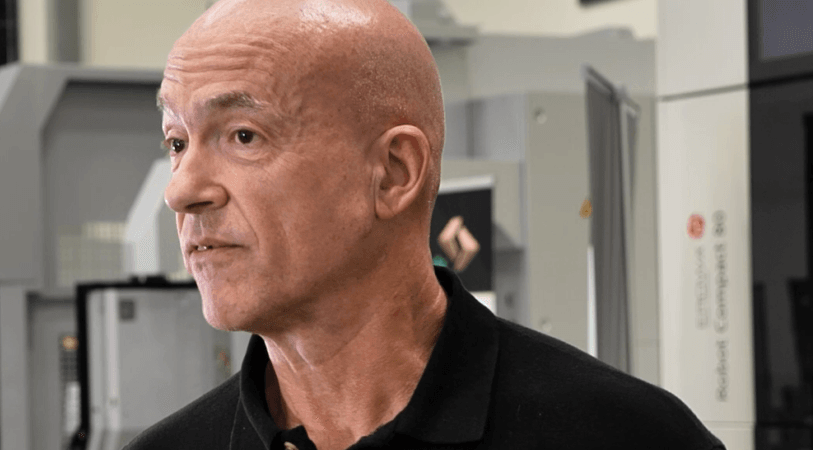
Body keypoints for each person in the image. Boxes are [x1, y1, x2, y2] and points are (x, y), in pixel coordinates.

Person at [130, 0, 725, 449]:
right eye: (177, 142)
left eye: (243, 136)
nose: (181, 191)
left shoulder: (621, 435)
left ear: (394, 173)